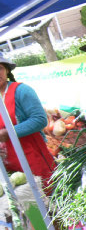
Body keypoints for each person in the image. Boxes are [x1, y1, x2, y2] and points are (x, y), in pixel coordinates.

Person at [0, 56, 55, 187]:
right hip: (9, 164)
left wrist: (10, 132)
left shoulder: (21, 91)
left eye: (0, 68)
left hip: (33, 157)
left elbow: (40, 119)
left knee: (46, 193)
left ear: (7, 70)